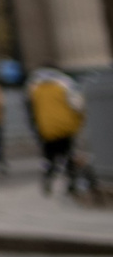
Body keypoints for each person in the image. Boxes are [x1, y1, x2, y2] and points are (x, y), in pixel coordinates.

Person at [30, 66, 87, 196]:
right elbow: (77, 104)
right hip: (65, 127)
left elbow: (32, 110)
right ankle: (72, 183)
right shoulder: (63, 86)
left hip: (46, 129)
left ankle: (47, 180)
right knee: (68, 154)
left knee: (50, 157)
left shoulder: (36, 90)